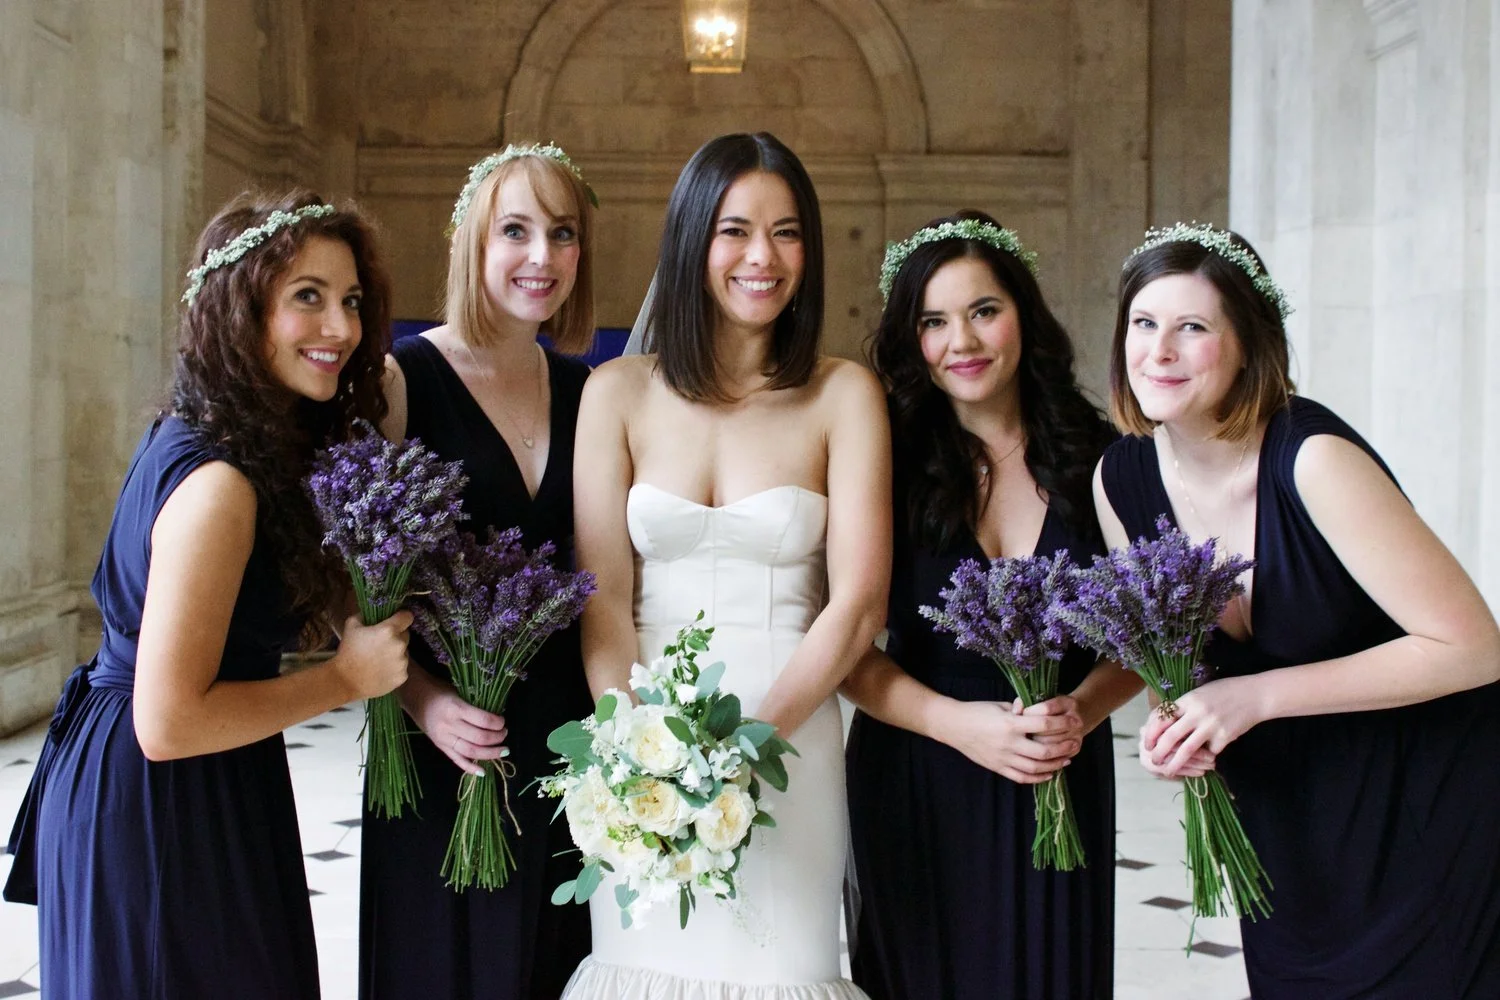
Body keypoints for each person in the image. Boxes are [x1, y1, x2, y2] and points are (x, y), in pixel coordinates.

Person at [2, 191, 412, 999]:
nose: (340, 328)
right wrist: (344, 680)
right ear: (238, 309)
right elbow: (170, 722)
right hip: (168, 798)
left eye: (351, 301)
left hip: (181, 777)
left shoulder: (216, 430)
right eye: (308, 297)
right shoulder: (221, 484)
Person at [1096, 222, 1500, 997]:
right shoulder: (1120, 480)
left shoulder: (1311, 459)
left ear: (1248, 344)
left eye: (1192, 328)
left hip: (1425, 804)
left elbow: (1473, 647)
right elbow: (1169, 670)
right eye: (1144, 324)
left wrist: (1255, 696)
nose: (1160, 351)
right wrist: (1171, 730)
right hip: (1289, 828)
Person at [565, 131, 889, 998]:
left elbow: (857, 603)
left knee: (784, 966)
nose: (763, 256)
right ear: (692, 238)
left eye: (787, 233)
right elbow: (601, 600)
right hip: (643, 743)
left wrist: (749, 747)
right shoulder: (616, 393)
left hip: (793, 728)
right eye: (735, 229)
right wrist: (633, 746)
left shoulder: (842, 394)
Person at [841, 212, 1136, 999]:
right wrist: (959, 725)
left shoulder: (1102, 457)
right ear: (912, 341)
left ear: (1023, 316)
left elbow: (1143, 636)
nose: (961, 342)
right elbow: (848, 653)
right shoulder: (885, 465)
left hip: (1058, 767)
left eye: (982, 311)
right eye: (933, 321)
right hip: (920, 772)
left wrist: (1080, 708)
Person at [358, 143, 595, 1000]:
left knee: (553, 962)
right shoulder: (400, 380)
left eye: (562, 234)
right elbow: (350, 591)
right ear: (471, 242)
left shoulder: (588, 390)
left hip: (564, 737)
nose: (543, 257)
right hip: (447, 743)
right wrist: (425, 704)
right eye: (517, 231)